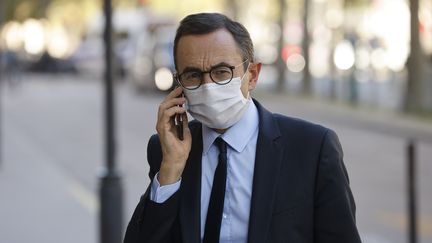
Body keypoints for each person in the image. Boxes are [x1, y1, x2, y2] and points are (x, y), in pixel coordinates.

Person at [124, 12, 362, 243]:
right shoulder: (166, 151)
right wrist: (170, 170)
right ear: (179, 85)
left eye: (221, 72)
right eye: (193, 75)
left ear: (253, 75)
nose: (208, 86)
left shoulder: (313, 148)